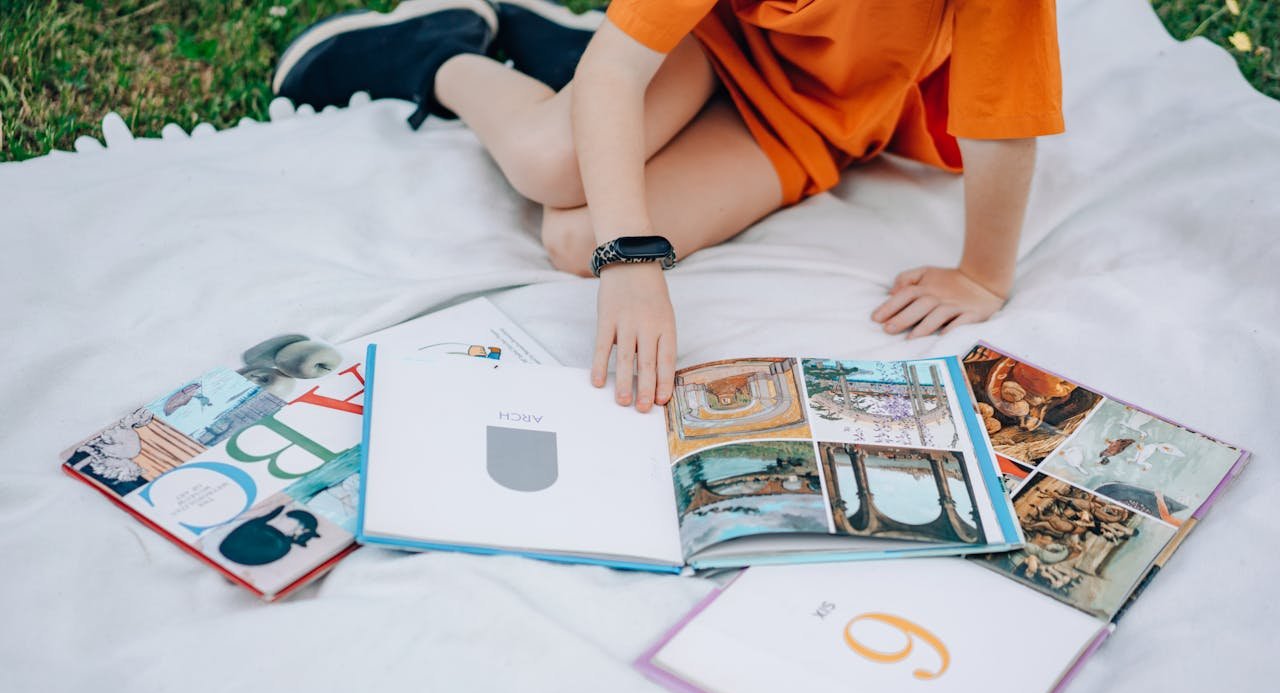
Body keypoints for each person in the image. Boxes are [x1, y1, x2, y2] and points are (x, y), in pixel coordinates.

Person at [273, 0, 1063, 412]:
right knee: (552, 161)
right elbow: (619, 72)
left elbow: (1002, 126)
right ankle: (436, 52)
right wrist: (637, 261)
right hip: (708, 38)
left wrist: (982, 276)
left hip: (819, 112)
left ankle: (542, 49)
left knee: (577, 237)